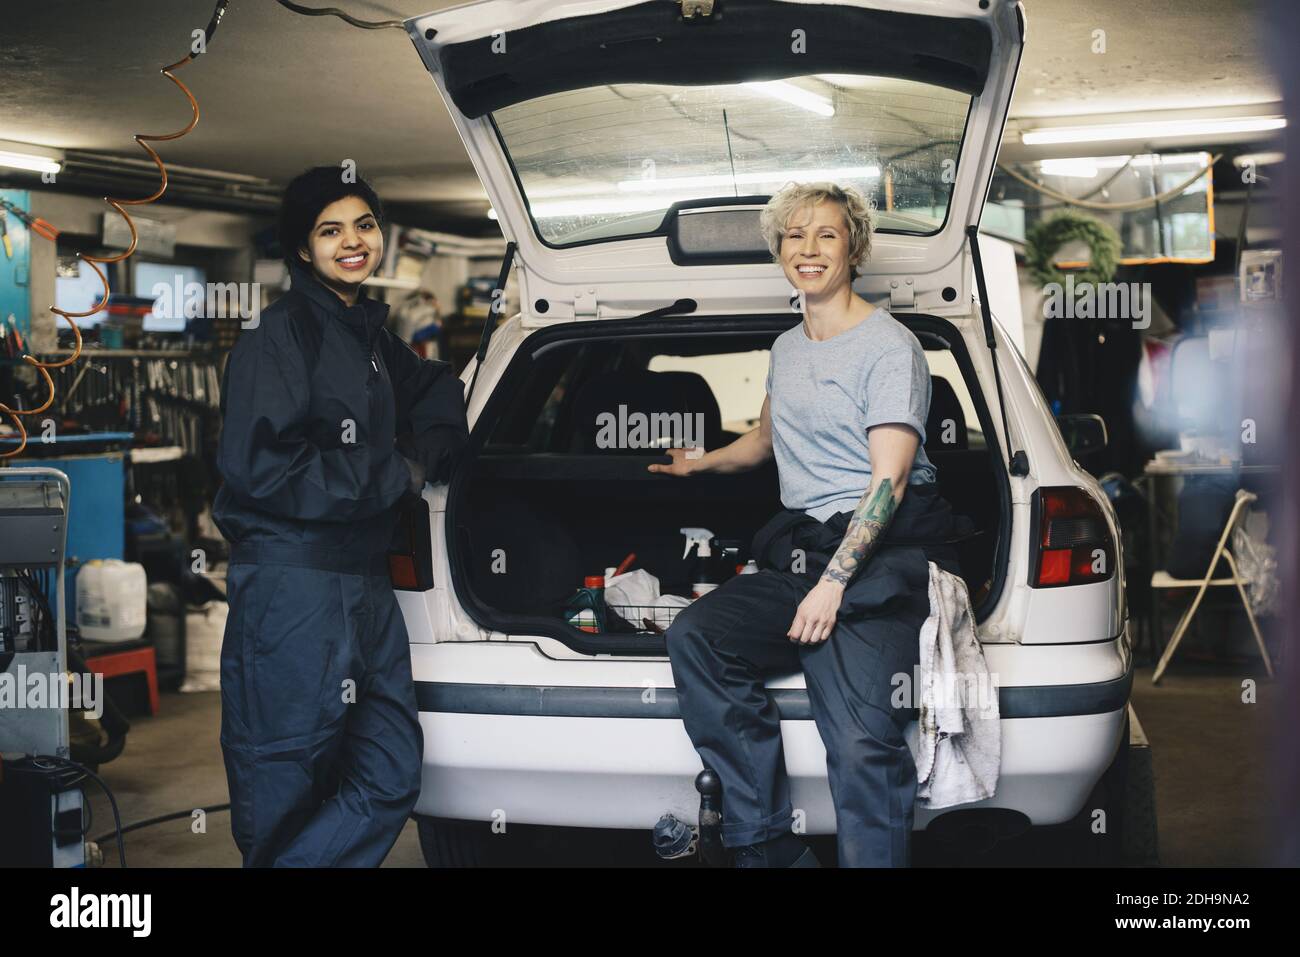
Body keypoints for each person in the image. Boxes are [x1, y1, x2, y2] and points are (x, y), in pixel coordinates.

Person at [651, 182, 967, 867]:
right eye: (795, 235)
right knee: (698, 638)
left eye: (826, 234)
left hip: (884, 551)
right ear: (779, 251)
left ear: (854, 247)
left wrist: (832, 586)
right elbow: (767, 439)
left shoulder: (890, 346)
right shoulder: (788, 348)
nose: (809, 248)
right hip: (805, 548)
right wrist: (698, 464)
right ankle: (767, 844)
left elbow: (888, 483)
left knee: (860, 739)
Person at [213, 166, 468, 866]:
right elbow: (264, 467)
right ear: (303, 248)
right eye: (331, 230)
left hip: (363, 584)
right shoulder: (281, 336)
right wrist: (398, 470)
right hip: (294, 584)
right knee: (285, 774)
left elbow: (433, 384)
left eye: (363, 225)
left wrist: (436, 442)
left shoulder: (367, 336)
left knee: (389, 772)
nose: (352, 242)